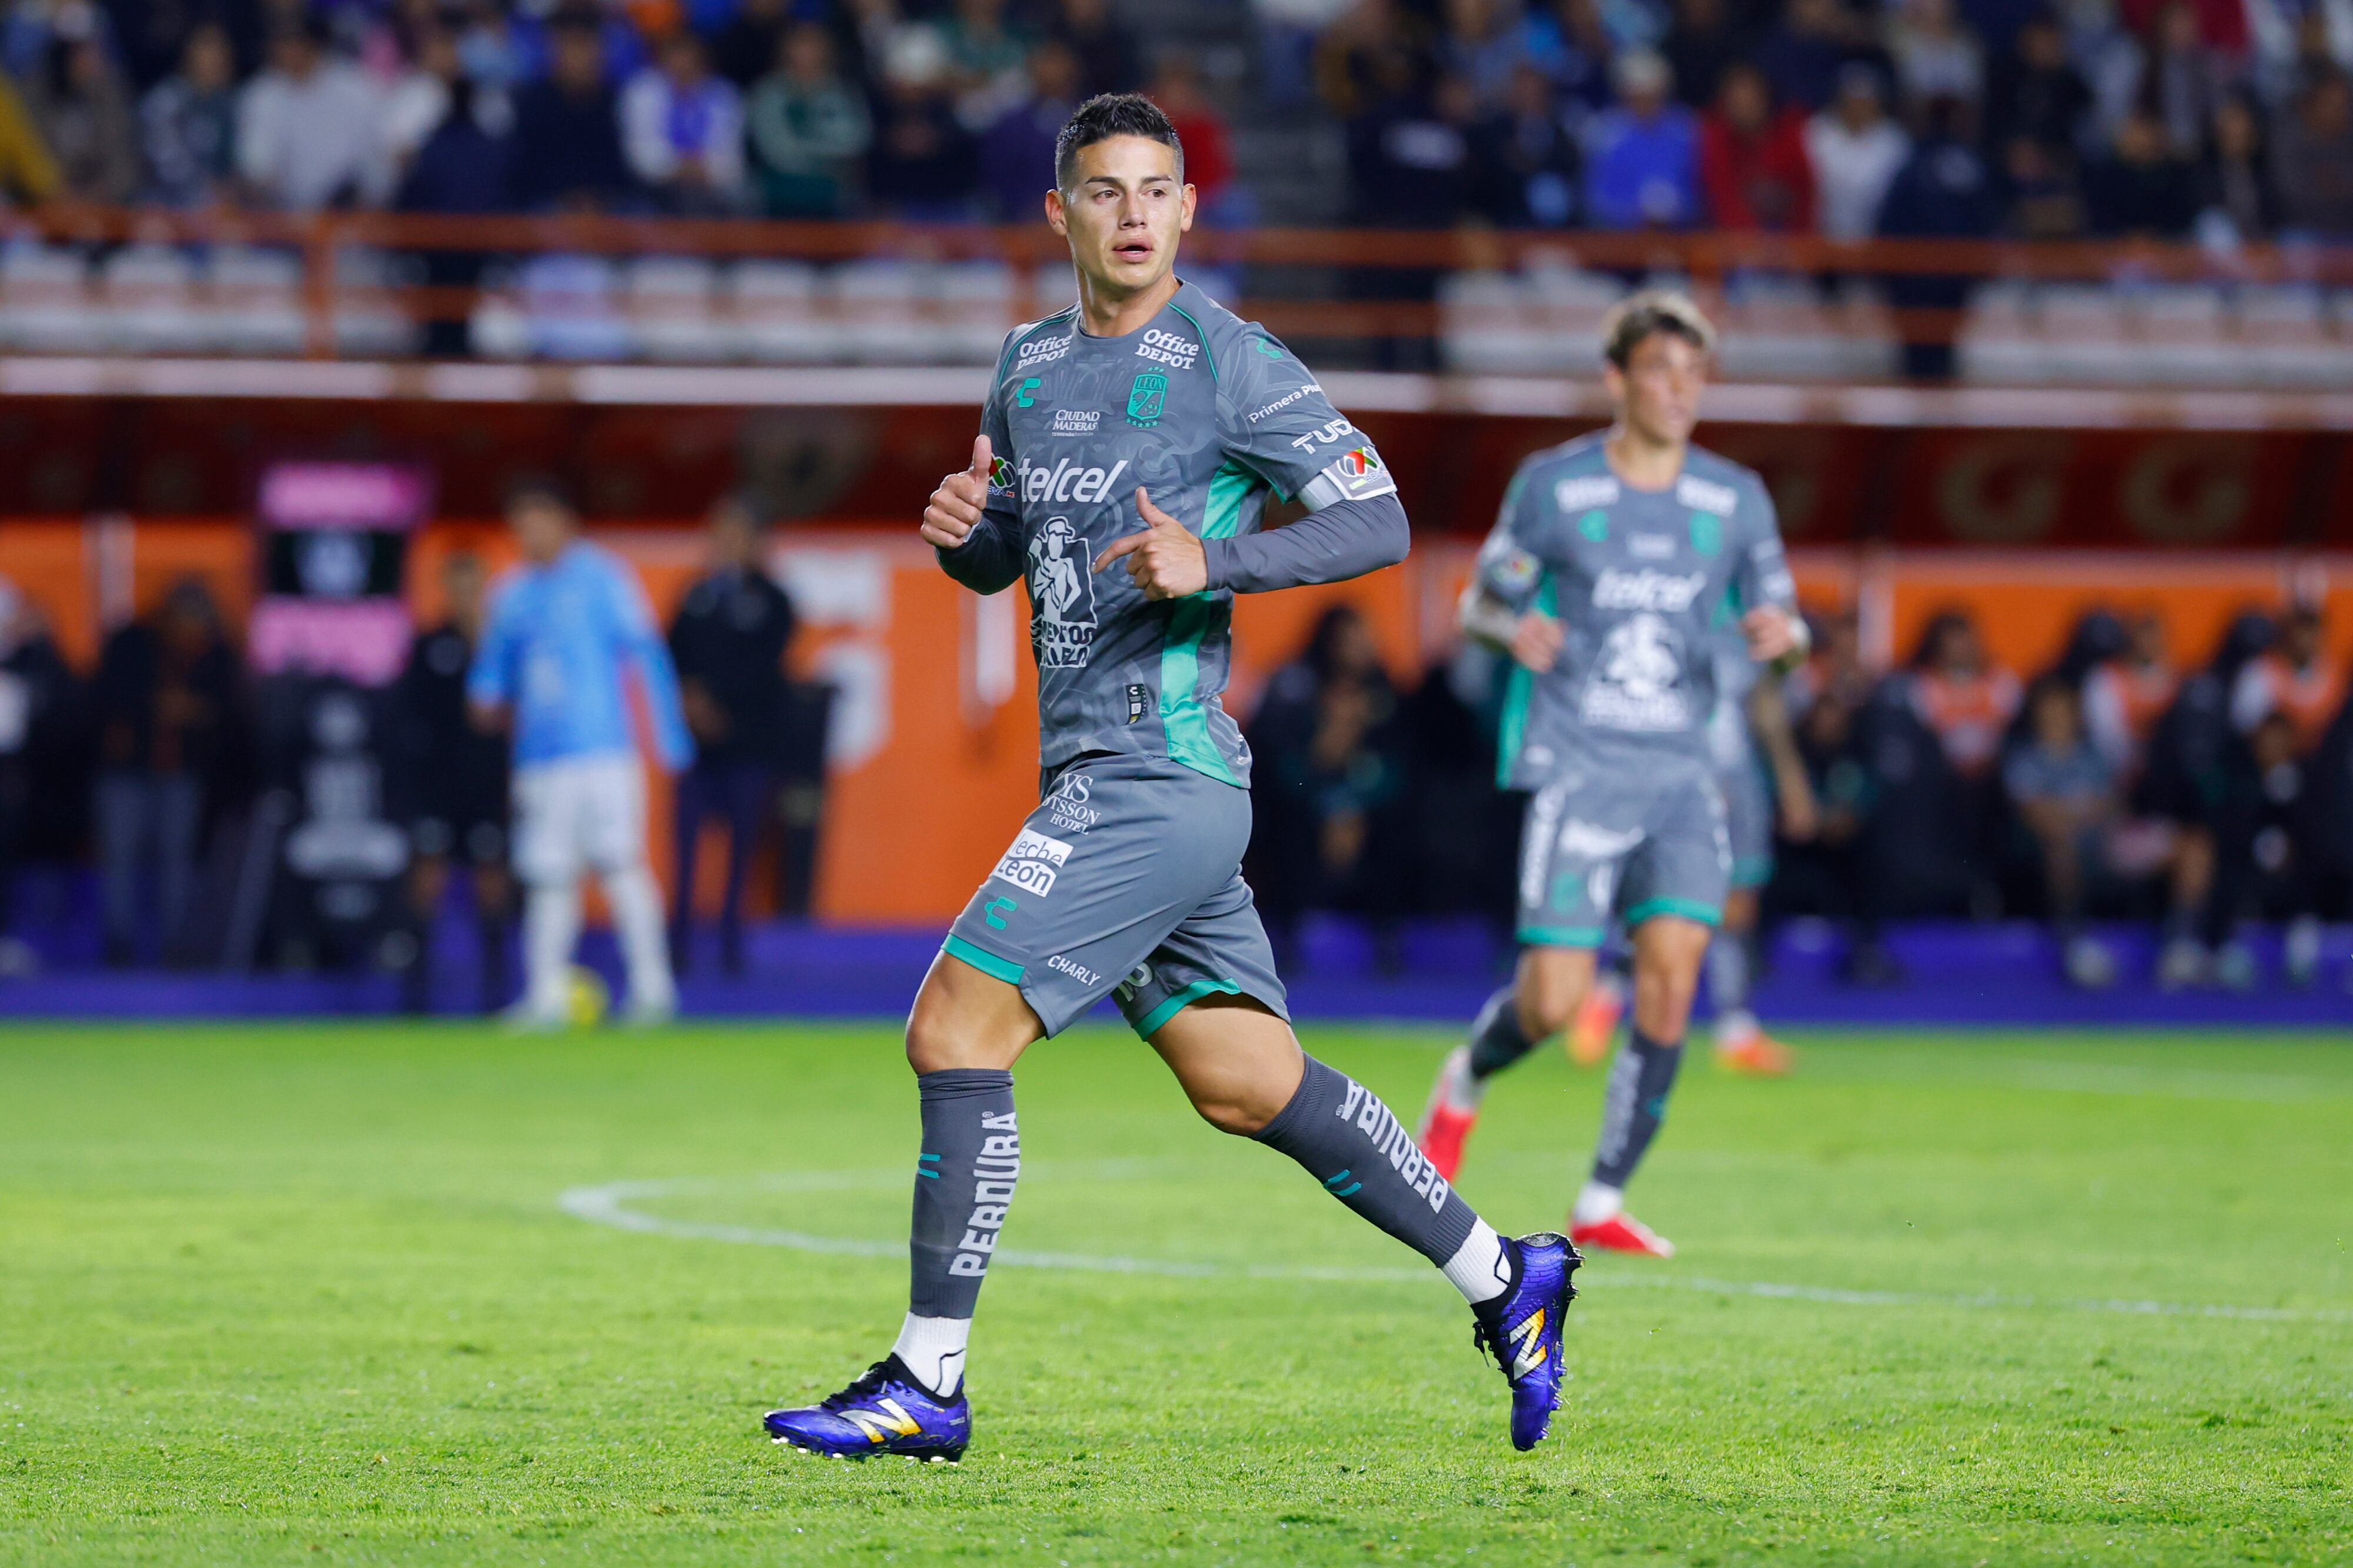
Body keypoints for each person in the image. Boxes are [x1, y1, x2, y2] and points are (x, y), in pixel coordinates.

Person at [762, 93, 1578, 1465]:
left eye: (1156, 190)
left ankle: (926, 1378)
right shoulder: (1024, 367)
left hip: (1163, 770)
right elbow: (1006, 556)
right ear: (1060, 213)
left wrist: (1223, 560)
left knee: (955, 1030)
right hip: (1107, 770)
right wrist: (967, 535)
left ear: (1189, 210)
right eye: (1104, 191)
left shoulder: (1232, 360)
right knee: (1244, 1078)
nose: (1133, 214)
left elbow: (1374, 518)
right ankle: (1507, 1274)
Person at [1415, 291, 1805, 1260]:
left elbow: (1786, 626)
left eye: (1694, 375)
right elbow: (1481, 606)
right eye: (1662, 371)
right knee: (1552, 1003)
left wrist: (1784, 640)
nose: (1681, 391)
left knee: (1670, 983)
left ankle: (1600, 1198)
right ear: (1618, 378)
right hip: (1580, 766)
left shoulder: (1736, 496)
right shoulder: (1556, 485)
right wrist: (1517, 627)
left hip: (1682, 774)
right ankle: (1464, 1077)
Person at [466, 477, 692, 1028]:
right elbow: (492, 671)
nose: (529, 534)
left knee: (620, 865)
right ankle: (544, 997)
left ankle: (652, 992)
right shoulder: (511, 592)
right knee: (547, 876)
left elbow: (646, 655)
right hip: (538, 760)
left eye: (538, 521)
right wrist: (484, 694)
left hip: (603, 753)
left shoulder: (603, 578)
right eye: (520, 524)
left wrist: (669, 734)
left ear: (565, 522)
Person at [667, 497, 796, 978]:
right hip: (695, 752)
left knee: (742, 855)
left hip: (750, 749)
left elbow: (765, 668)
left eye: (736, 531)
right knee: (685, 853)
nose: (725, 542)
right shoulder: (695, 596)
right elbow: (669, 655)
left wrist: (714, 701)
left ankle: (730, 952)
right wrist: (690, 702)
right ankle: (677, 949)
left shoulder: (775, 600)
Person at [93, 578, 243, 968]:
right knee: (119, 860)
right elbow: (103, 701)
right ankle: (119, 946)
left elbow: (229, 713)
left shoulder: (215, 651)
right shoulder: (131, 643)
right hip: (125, 772)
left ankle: (179, 947)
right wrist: (152, 709)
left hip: (182, 773)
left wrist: (193, 711)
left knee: (178, 862)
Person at [395, 552, 514, 1014]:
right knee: (426, 883)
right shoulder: (429, 646)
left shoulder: (504, 647)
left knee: (492, 884)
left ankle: (496, 995)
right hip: (437, 788)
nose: (465, 595)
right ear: (445, 587)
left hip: (488, 788)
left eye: (474, 585)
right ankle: (416, 997)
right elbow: (408, 719)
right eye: (457, 585)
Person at [236, 16, 389, 210]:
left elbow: (375, 163)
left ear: (315, 44)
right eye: (282, 43)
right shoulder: (262, 95)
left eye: (295, 42)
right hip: (281, 219)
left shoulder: (356, 89)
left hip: (347, 217)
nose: (287, 51)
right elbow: (256, 166)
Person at [746, 21, 872, 218]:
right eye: (801, 46)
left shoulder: (844, 93)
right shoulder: (767, 93)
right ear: (787, 50)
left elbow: (855, 141)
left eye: (813, 46)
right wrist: (823, 148)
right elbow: (776, 150)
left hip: (833, 184)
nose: (807, 53)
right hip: (781, 185)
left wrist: (807, 147)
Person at [620, 29, 744, 213]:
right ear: (662, 60)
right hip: (657, 187)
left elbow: (732, 160)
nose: (683, 66)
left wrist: (704, 170)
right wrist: (679, 169)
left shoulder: (723, 95)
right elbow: (641, 157)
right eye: (676, 57)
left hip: (712, 187)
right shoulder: (642, 92)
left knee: (744, 197)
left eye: (690, 58)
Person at [139, 21, 239, 206]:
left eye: (222, 48)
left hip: (220, 213)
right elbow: (166, 164)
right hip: (167, 208)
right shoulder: (165, 100)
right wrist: (210, 191)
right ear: (188, 52)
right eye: (208, 46)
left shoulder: (231, 104)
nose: (217, 56)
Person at [2230, 603, 2340, 753]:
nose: (2308, 639)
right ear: (2287, 632)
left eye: (2313, 631)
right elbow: (2243, 725)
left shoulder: (2333, 675)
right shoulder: (2262, 673)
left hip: (2321, 763)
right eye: (2302, 631)